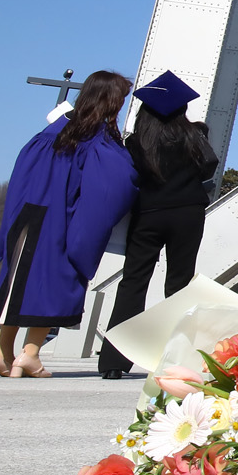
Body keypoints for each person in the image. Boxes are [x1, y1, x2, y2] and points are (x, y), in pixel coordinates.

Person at [0, 71, 139, 378]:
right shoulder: (97, 140)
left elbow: (19, 179)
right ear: (111, 101)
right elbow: (113, 188)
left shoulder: (50, 133)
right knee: (52, 284)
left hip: (25, 219)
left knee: (17, 284)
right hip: (61, 222)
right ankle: (29, 355)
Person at [96, 72, 217, 379]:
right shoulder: (195, 137)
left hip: (149, 214)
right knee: (180, 284)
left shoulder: (137, 142)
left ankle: (114, 360)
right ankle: (179, 359)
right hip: (188, 213)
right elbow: (209, 166)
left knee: (133, 283)